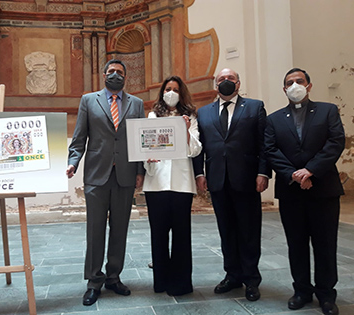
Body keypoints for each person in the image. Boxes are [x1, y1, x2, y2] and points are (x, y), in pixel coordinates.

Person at [264, 68, 345, 315]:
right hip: (291, 191)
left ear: (309, 85)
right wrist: (294, 175)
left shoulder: (327, 110)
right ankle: (301, 290)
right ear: (284, 89)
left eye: (299, 81)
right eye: (290, 82)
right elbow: (271, 149)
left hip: (323, 189)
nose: (295, 85)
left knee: (325, 244)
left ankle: (326, 294)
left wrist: (310, 171)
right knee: (296, 244)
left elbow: (336, 142)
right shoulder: (274, 119)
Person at [66, 59, 145, 306]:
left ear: (126, 76)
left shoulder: (137, 104)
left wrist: (140, 171)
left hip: (125, 175)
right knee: (95, 229)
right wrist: (73, 161)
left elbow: (139, 140)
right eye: (111, 71)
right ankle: (93, 281)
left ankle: (114, 276)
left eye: (120, 72)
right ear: (103, 75)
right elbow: (79, 137)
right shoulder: (89, 100)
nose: (115, 75)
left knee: (120, 229)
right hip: (96, 176)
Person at [192, 68, 270, 301]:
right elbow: (199, 148)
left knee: (248, 231)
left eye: (230, 79)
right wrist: (199, 174)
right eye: (221, 80)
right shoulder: (203, 112)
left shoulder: (255, 107)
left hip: (246, 179)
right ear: (215, 85)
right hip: (217, 180)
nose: (226, 82)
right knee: (226, 231)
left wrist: (263, 173)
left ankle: (251, 279)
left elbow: (264, 144)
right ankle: (232, 275)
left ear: (238, 84)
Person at [143, 76, 202, 296]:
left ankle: (181, 283)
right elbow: (145, 145)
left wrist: (185, 129)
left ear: (181, 92)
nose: (171, 92)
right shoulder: (152, 115)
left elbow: (195, 149)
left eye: (175, 89)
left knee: (181, 234)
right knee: (158, 234)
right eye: (167, 89)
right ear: (162, 92)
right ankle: (161, 281)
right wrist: (146, 158)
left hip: (182, 183)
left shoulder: (191, 116)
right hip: (156, 182)